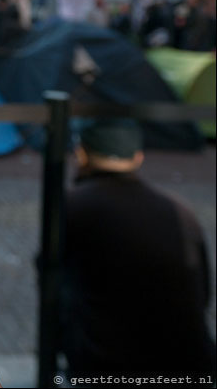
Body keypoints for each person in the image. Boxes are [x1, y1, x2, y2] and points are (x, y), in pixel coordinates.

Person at [61, 119, 215, 378]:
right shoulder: (179, 211)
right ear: (138, 158)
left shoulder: (75, 205)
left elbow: (52, 279)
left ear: (82, 154)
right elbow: (205, 293)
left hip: (108, 364)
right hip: (192, 361)